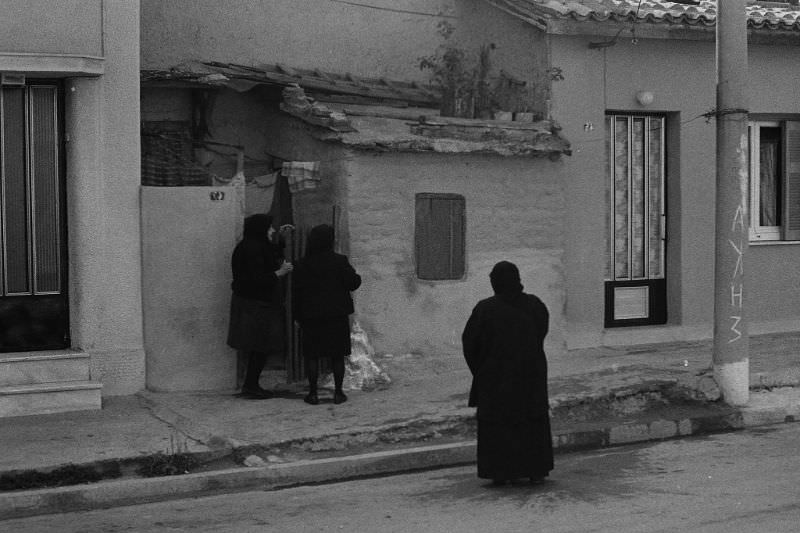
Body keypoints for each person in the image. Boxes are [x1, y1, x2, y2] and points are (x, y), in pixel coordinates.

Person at [461, 261, 553, 485]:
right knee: (531, 424)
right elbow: (541, 332)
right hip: (530, 377)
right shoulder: (535, 305)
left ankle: (501, 473)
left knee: (499, 428)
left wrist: (481, 370)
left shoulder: (485, 309)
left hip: (495, 380)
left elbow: (470, 344)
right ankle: (535, 469)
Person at [292, 224, 361, 405]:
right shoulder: (340, 261)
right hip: (336, 315)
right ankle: (338, 393)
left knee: (312, 355)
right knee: (337, 356)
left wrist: (297, 316)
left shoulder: (302, 264)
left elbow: (296, 292)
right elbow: (353, 283)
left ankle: (313, 393)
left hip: (311, 316)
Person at [227, 214, 292, 399]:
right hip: (255, 304)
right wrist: (279, 273)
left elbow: (271, 252)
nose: (271, 231)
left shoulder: (252, 246)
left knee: (258, 346)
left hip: (253, 303)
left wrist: (281, 237)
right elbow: (255, 278)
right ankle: (251, 385)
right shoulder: (251, 249)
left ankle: (251, 384)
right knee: (259, 345)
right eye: (270, 228)